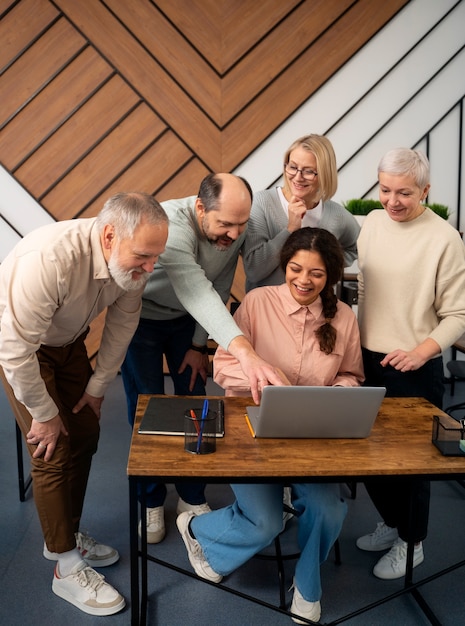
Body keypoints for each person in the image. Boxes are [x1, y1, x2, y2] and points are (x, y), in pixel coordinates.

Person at [176, 227, 364, 624]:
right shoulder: (258, 302)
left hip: (312, 436)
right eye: (296, 268)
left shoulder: (343, 316)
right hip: (251, 430)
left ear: (330, 275)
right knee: (265, 524)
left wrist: (339, 390)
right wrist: (262, 381)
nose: (303, 280)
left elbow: (351, 375)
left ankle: (308, 588)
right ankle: (197, 530)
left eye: (316, 273)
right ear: (284, 266)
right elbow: (224, 366)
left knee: (328, 510)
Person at [0, 192, 169, 616]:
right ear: (110, 235)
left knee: (87, 431)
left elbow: (124, 321)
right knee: (51, 447)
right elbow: (16, 351)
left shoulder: (131, 262)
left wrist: (97, 386)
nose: (150, 268)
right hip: (21, 350)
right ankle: (65, 567)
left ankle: (64, 534)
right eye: (144, 256)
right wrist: (45, 414)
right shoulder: (50, 259)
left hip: (67, 343)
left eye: (155, 258)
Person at [121, 173, 288, 544]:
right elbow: (196, 290)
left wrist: (200, 346)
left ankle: (191, 496)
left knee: (195, 405)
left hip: (187, 323)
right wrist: (244, 352)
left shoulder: (235, 225)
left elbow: (221, 284)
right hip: (140, 319)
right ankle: (150, 501)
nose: (233, 233)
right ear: (200, 208)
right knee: (147, 407)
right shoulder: (172, 225)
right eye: (226, 224)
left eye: (241, 224)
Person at [355, 148, 465, 580]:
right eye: (384, 190)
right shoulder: (372, 225)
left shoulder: (445, 238)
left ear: (425, 190)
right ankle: (393, 524)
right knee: (367, 455)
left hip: (415, 365)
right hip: (365, 359)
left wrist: (421, 351)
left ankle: (412, 542)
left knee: (412, 462)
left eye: (404, 193)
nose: (392, 201)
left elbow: (458, 314)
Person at [242, 133, 360, 292]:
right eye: (292, 167)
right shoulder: (261, 204)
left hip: (315, 312)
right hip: (265, 310)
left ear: (324, 173)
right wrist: (290, 229)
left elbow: (356, 247)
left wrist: (326, 262)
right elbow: (254, 271)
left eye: (309, 171)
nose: (298, 177)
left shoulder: (336, 216)